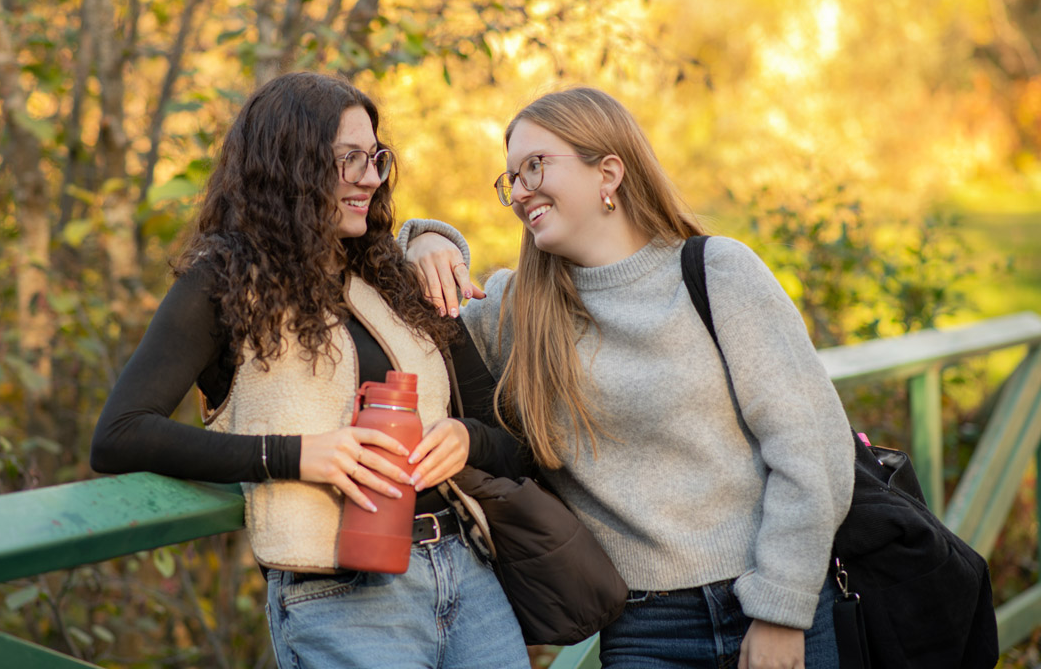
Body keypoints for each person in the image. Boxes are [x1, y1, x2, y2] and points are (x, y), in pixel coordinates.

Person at [400, 86, 854, 669]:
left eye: (535, 166)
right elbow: (399, 309)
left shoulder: (717, 272)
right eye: (510, 177)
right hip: (643, 629)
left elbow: (811, 449)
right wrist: (427, 239)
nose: (518, 192)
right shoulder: (519, 312)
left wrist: (782, 610)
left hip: (769, 598)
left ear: (608, 172)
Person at [90, 71, 530, 669]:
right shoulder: (218, 285)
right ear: (288, 165)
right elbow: (120, 434)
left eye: (376, 157)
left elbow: (510, 437)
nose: (371, 178)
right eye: (349, 159)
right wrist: (293, 456)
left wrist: (465, 438)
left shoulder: (394, 276)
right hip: (338, 600)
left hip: (466, 576)